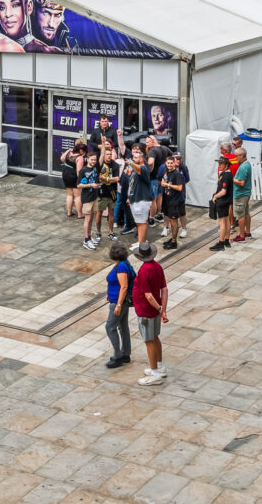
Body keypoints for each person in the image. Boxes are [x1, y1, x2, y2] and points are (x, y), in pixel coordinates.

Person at [132, 241, 168, 386]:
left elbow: (148, 296)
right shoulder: (157, 267)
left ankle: (154, 374)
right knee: (155, 337)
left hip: (146, 311)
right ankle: (159, 366)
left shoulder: (144, 270)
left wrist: (160, 309)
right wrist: (163, 309)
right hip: (155, 310)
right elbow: (164, 290)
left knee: (149, 341)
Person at [104, 242, 134, 368]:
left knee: (110, 327)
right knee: (122, 326)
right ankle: (126, 353)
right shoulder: (124, 263)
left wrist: (118, 305)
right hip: (120, 301)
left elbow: (124, 286)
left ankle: (118, 355)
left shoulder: (121, 267)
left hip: (119, 302)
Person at [124, 144, 153, 250]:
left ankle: (142, 244)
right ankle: (141, 242)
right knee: (140, 222)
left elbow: (138, 169)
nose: (133, 159)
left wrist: (131, 163)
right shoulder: (134, 169)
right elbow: (132, 185)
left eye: (136, 157)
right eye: (133, 157)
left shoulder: (143, 168)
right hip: (134, 198)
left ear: (141, 158)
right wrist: (129, 197)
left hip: (141, 200)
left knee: (141, 223)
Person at [158, 154, 185, 251]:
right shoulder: (166, 171)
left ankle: (174, 242)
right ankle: (172, 238)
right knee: (169, 219)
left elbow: (180, 187)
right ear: (166, 163)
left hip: (174, 201)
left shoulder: (176, 174)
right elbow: (162, 180)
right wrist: (163, 183)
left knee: (174, 222)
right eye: (168, 163)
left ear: (174, 163)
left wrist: (168, 185)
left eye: (171, 163)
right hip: (167, 200)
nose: (169, 165)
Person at [209, 155, 234, 252]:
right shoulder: (228, 174)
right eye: (219, 163)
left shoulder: (225, 176)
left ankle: (221, 242)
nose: (219, 165)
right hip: (227, 201)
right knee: (227, 220)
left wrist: (215, 196)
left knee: (222, 222)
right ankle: (226, 240)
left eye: (221, 163)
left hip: (223, 201)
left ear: (227, 165)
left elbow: (223, 191)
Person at [77, 150, 102, 250]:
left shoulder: (95, 168)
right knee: (87, 219)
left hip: (94, 196)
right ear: (87, 159)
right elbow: (79, 185)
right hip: (87, 198)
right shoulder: (83, 171)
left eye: (95, 160)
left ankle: (89, 237)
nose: (94, 161)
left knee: (91, 218)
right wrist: (90, 185)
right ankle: (86, 240)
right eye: (92, 159)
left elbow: (102, 156)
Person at [230, 148, 254, 243]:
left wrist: (232, 179)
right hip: (246, 193)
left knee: (240, 215)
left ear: (242, 156)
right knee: (246, 212)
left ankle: (241, 235)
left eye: (236, 156)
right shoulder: (247, 164)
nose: (235, 158)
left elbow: (241, 182)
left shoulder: (243, 167)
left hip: (241, 194)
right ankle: (247, 232)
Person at [59, 142, 85, 219]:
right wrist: (79, 180)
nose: (84, 153)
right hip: (73, 175)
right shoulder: (79, 158)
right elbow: (78, 171)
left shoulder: (68, 151)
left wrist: (67, 163)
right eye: (83, 151)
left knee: (69, 194)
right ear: (80, 150)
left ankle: (69, 212)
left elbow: (62, 158)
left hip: (65, 173)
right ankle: (80, 214)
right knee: (77, 196)